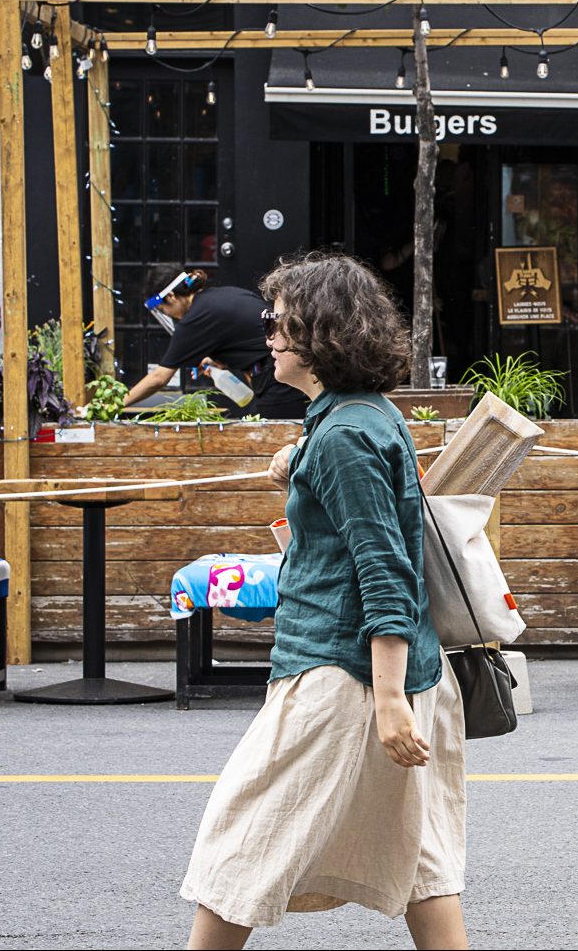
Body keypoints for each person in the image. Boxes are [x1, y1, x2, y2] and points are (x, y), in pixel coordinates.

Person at [181, 253, 466, 949]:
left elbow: (384, 570)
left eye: (280, 322)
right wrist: (300, 454)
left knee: (240, 843)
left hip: (342, 674)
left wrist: (389, 697)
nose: (268, 335)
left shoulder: (342, 435)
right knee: (421, 859)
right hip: (391, 670)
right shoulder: (360, 417)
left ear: (322, 336)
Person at [125, 266, 306, 419]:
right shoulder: (219, 296)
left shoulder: (194, 318)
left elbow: (158, 378)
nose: (167, 314)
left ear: (171, 296)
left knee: (270, 442)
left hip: (279, 379)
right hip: (290, 371)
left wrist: (117, 404)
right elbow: (249, 339)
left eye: (163, 308)